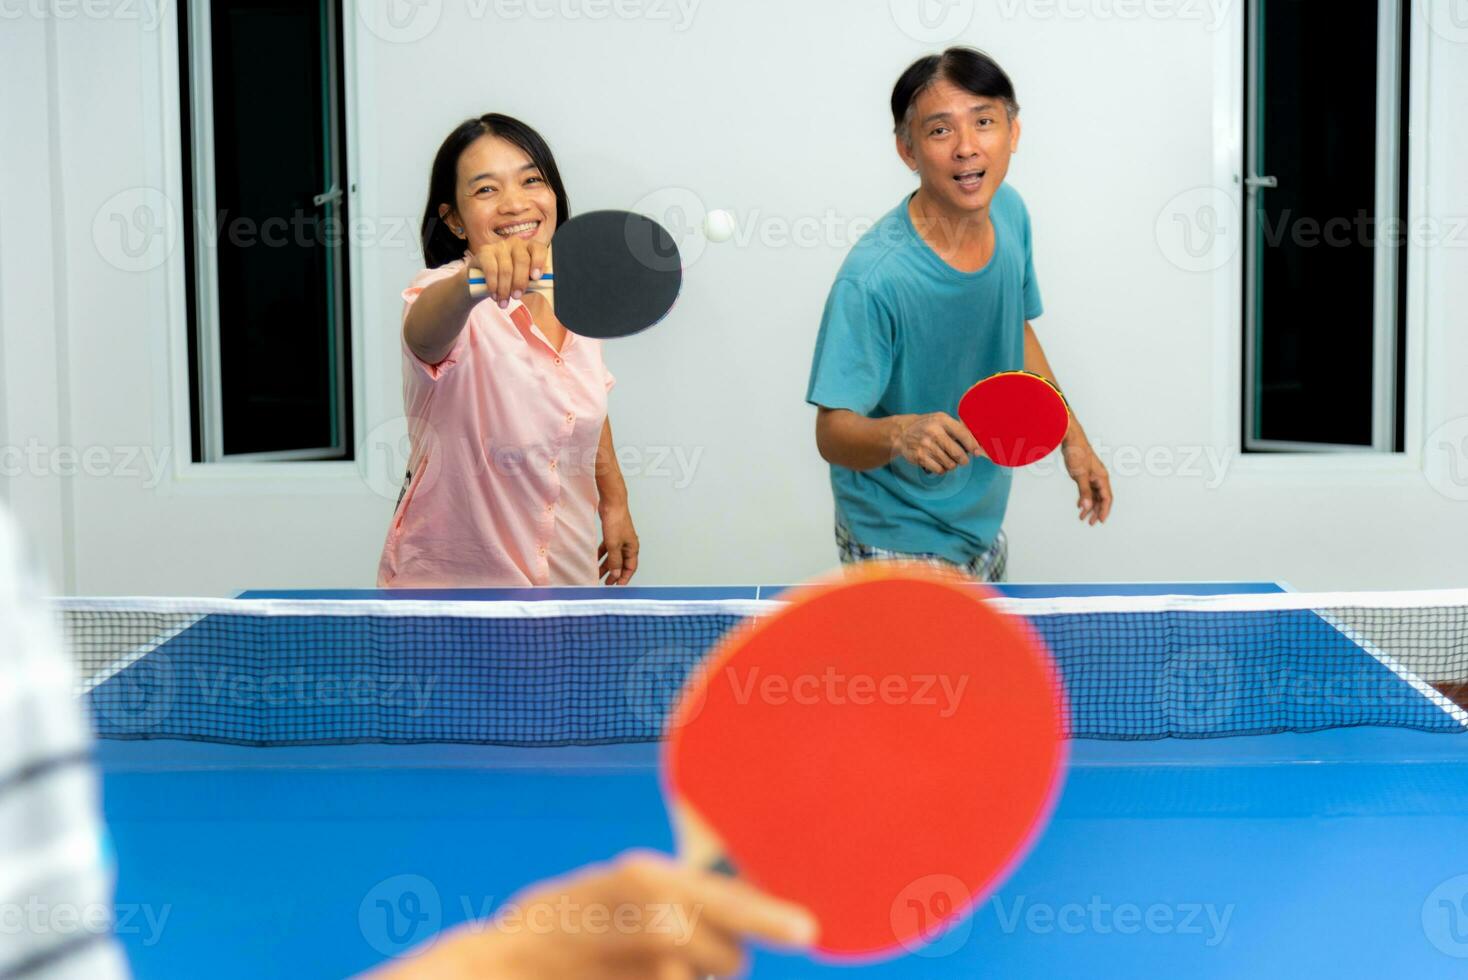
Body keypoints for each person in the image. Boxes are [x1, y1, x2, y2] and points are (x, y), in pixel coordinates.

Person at [807, 47, 1113, 581]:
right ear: (908, 150)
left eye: (985, 122)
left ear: (1013, 132)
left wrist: (1074, 438)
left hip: (979, 521)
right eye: (941, 131)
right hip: (894, 535)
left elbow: (1015, 327)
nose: (968, 147)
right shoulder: (874, 279)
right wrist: (900, 434)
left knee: (987, 668)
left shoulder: (1010, 212)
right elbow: (832, 434)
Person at [378, 115, 639, 588]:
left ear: (553, 195)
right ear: (455, 220)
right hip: (455, 604)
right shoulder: (443, 295)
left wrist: (614, 499)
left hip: (567, 587)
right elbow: (424, 335)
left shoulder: (576, 301)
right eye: (485, 190)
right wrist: (471, 283)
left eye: (531, 180)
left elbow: (581, 401)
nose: (515, 203)